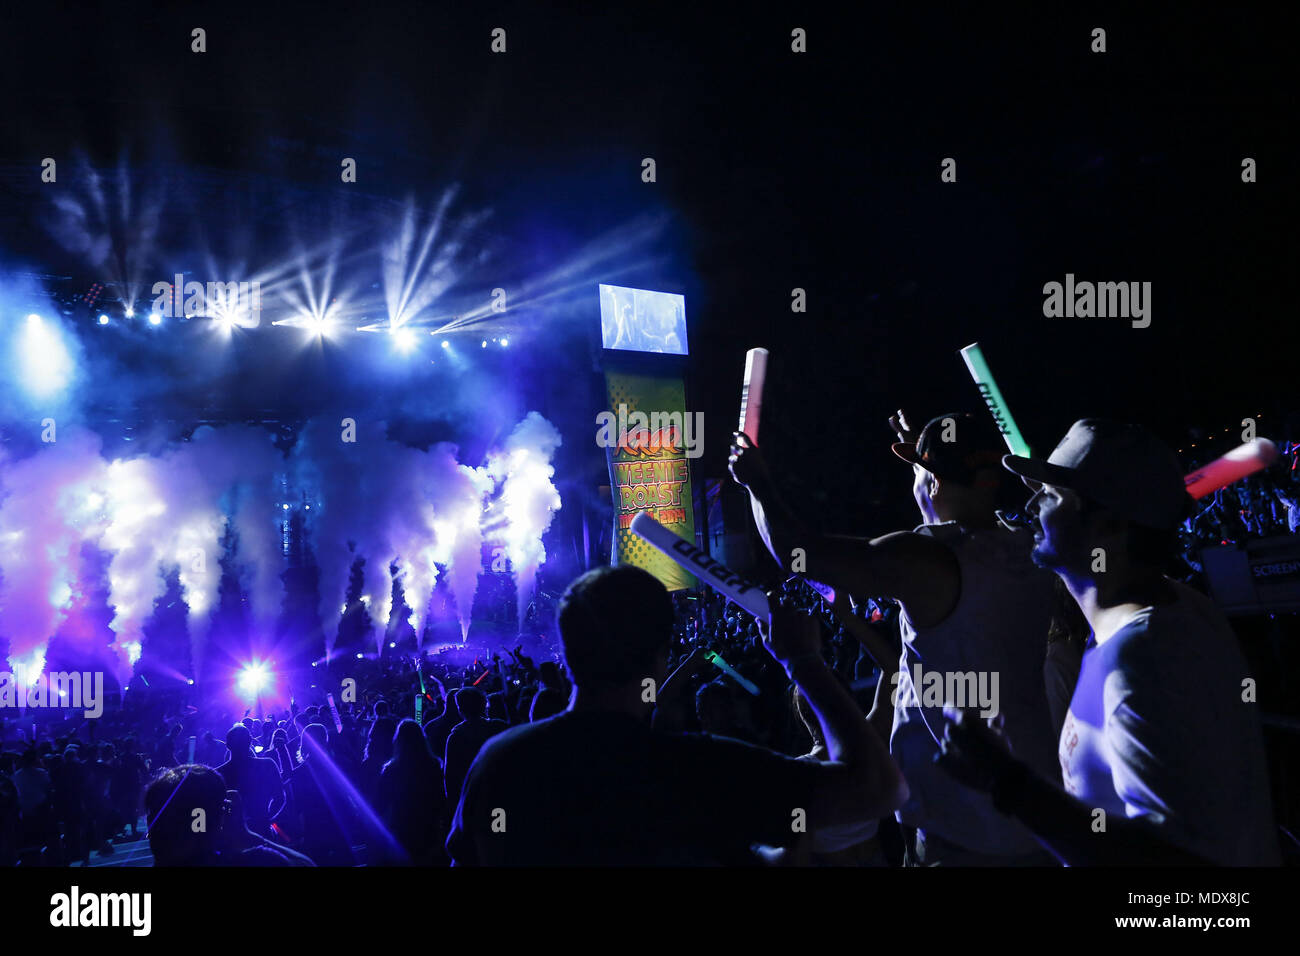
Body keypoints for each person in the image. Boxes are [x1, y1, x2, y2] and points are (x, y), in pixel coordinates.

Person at [938, 419, 1281, 866]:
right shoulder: (1177, 611)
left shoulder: (1143, 661)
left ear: (1109, 530)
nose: (1034, 502)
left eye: (1054, 495)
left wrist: (1008, 784)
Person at [729, 412, 1060, 865]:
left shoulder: (933, 561)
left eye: (920, 474)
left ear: (936, 482)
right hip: (1034, 815)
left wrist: (757, 484)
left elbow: (797, 552)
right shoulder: (1031, 549)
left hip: (965, 836)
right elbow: (962, 520)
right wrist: (931, 468)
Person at [446, 564, 907, 866]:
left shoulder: (499, 762)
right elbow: (879, 789)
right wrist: (803, 660)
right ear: (661, 656)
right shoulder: (700, 770)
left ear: (566, 657)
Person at [215, 724, 285, 839]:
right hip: (262, 830)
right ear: (250, 741)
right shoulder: (267, 765)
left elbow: (214, 809)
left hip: (232, 835)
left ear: (227, 745)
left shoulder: (219, 773)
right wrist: (266, 818)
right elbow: (280, 798)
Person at [442, 688, 506, 804]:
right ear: (482, 704)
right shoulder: (499, 726)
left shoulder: (456, 736)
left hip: (473, 797)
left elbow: (450, 774)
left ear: (460, 709)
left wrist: (453, 803)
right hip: (501, 790)